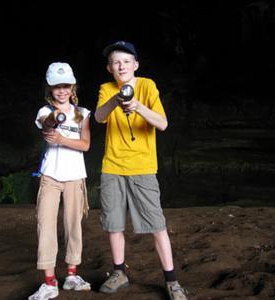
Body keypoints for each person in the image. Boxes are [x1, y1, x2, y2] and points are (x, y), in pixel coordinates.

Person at [94, 41, 188, 300]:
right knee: (113, 224)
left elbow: (163, 123)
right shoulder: (106, 89)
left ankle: (172, 281)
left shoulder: (147, 86)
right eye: (116, 62)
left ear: (136, 64)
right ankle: (119, 272)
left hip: (143, 166)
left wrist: (137, 106)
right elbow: (99, 117)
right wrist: (116, 99)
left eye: (126, 60)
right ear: (109, 68)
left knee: (157, 224)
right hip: (112, 165)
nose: (121, 65)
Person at [29, 62, 91, 300]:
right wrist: (55, 118)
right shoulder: (44, 111)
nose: (62, 90)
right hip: (50, 177)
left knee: (73, 224)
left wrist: (62, 138)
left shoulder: (83, 113)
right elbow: (47, 124)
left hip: (75, 177)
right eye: (57, 86)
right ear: (50, 88)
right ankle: (49, 282)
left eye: (66, 85)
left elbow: (85, 145)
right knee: (45, 224)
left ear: (72, 86)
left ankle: (72, 275)